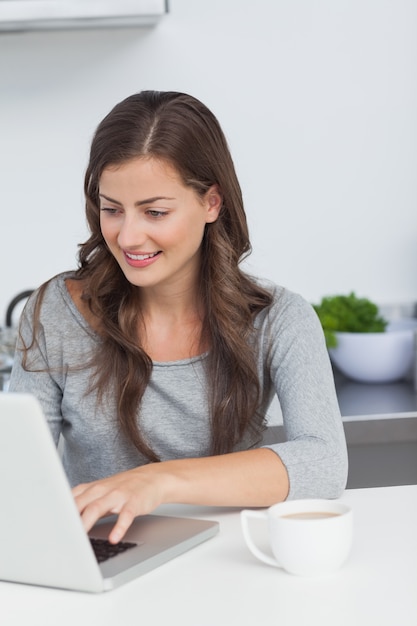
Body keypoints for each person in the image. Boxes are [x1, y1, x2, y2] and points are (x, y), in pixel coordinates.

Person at [9, 91, 348, 544]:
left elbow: (324, 462)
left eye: (155, 212)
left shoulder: (280, 319)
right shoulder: (55, 311)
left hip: (229, 558)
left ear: (211, 203)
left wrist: (159, 481)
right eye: (112, 209)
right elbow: (15, 479)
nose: (128, 235)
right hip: (101, 563)